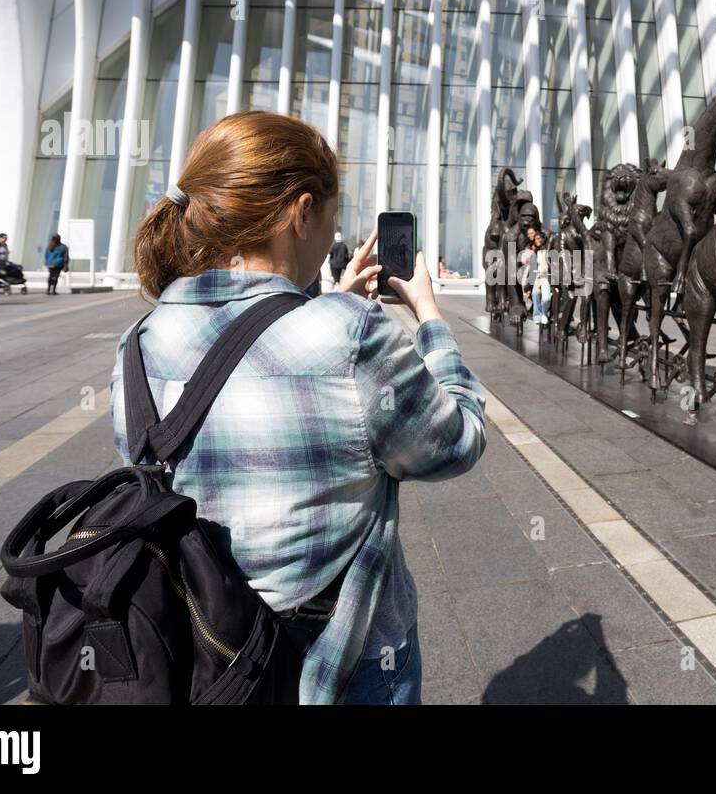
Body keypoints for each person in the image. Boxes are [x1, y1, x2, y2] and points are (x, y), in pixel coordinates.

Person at [111, 111, 486, 705]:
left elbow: (250, 368)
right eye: (332, 219)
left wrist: (325, 306)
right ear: (302, 211)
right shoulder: (351, 332)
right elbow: (456, 442)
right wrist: (429, 318)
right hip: (343, 665)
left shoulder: (138, 342)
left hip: (204, 664)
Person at [529, 231, 553, 325]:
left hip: (547, 276)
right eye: (536, 239)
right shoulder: (535, 252)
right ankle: (537, 315)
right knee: (535, 295)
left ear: (543, 239)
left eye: (539, 238)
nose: (537, 240)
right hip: (538, 277)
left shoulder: (549, 250)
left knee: (546, 298)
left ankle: (544, 313)